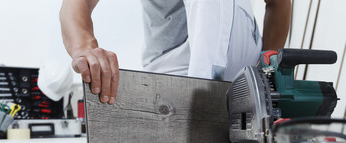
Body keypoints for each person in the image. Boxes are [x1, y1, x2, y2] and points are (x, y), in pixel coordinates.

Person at [60, 0, 291, 104]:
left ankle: (203, 102)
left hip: (245, 63)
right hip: (174, 68)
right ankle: (200, 101)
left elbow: (279, 3)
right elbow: (76, 4)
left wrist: (266, 72)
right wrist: (85, 49)